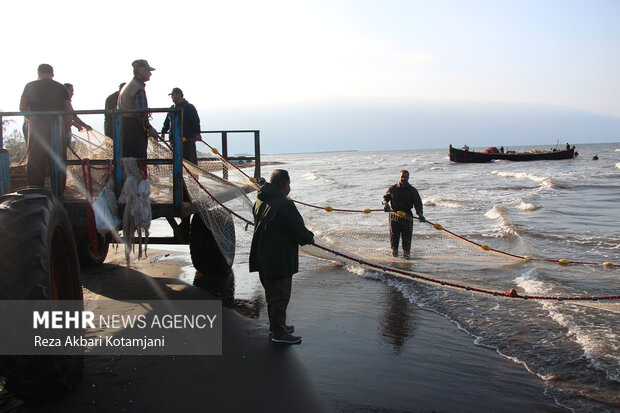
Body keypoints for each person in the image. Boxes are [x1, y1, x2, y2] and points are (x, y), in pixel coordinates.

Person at [249, 169, 314, 344]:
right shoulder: (284, 204)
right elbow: (299, 231)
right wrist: (310, 238)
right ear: (284, 184)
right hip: (278, 257)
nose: (289, 187)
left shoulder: (259, 201)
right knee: (280, 295)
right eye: (289, 184)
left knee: (271, 293)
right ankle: (279, 333)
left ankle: (277, 325)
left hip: (261, 255)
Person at [19, 63, 72, 195]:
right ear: (52, 74)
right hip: (57, 127)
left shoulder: (30, 86)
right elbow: (68, 110)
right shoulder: (61, 87)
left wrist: (32, 119)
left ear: (39, 73)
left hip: (37, 127)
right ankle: (59, 193)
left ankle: (35, 193)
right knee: (58, 159)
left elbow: (22, 107)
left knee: (35, 160)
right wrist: (66, 128)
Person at [117, 59, 160, 158]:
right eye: (148, 70)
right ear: (141, 70)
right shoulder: (137, 88)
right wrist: (150, 128)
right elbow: (140, 113)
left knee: (128, 159)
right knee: (137, 159)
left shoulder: (130, 85)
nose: (150, 74)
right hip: (133, 129)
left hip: (125, 127)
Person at [382, 170, 425, 258]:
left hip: (407, 216)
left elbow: (418, 203)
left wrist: (420, 214)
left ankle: (406, 258)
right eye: (402, 177)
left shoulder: (412, 190)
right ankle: (395, 256)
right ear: (399, 177)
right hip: (394, 215)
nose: (403, 178)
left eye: (405, 177)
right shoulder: (392, 188)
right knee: (394, 238)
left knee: (407, 239)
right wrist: (385, 204)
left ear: (408, 178)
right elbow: (385, 198)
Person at [160, 87, 200, 164]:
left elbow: (195, 121)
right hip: (174, 139)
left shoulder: (189, 107)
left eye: (173, 95)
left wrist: (197, 133)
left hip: (187, 139)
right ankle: (178, 176)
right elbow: (167, 122)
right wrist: (163, 132)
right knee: (176, 161)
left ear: (179, 95)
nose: (171, 97)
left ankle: (193, 176)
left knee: (191, 161)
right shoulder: (172, 108)